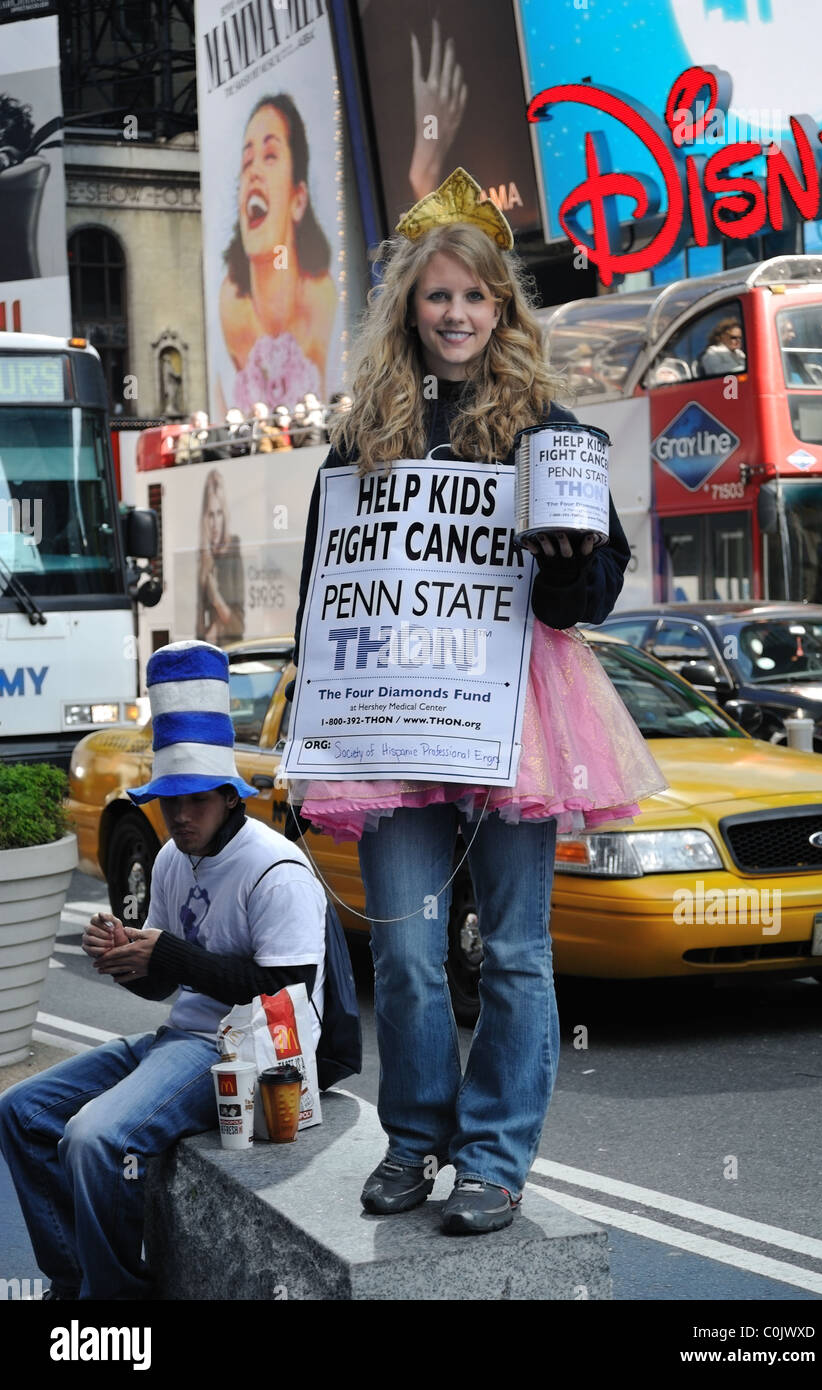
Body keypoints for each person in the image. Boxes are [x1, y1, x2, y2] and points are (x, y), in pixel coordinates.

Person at [287, 168, 665, 1234]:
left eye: (475, 296)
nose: (455, 314)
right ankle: (414, 1138)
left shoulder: (548, 425)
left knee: (512, 949)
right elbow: (328, 585)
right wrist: (303, 725)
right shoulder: (363, 435)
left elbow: (588, 592)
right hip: (389, 707)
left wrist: (562, 563)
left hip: (517, 713)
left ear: (501, 308)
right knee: (404, 950)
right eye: (436, 295)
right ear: (410, 307)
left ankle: (496, 1157)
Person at [0, 640, 326, 1300]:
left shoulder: (278, 869)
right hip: (179, 1040)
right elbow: (163, 985)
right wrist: (125, 957)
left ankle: (116, 1304)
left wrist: (166, 955)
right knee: (20, 1110)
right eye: (169, 801)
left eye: (196, 800)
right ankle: (76, 1280)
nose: (179, 816)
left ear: (230, 797)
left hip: (243, 1054)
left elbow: (288, 995)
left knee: (94, 1138)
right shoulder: (175, 858)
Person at [218, 93, 337, 414]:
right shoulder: (229, 304)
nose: (253, 172)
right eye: (246, 162)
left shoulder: (322, 300)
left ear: (299, 200)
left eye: (270, 155)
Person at [196, 469, 244, 646]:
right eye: (210, 514)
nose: (215, 523)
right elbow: (199, 622)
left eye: (219, 513)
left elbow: (238, 624)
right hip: (208, 651)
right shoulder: (203, 557)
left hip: (231, 651)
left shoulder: (233, 547)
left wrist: (215, 597)